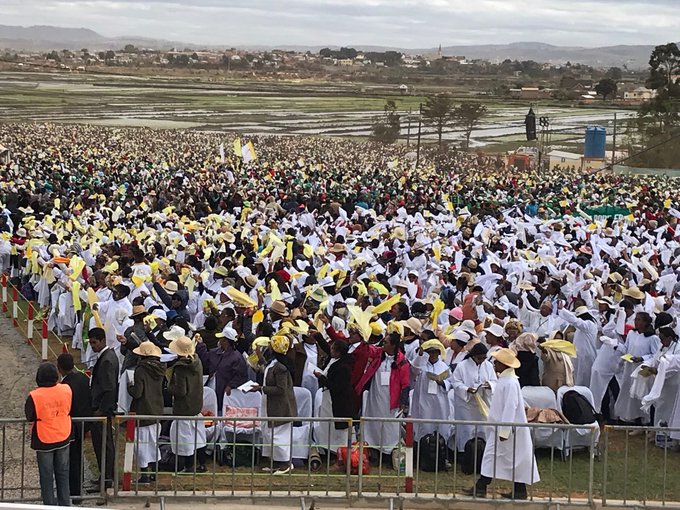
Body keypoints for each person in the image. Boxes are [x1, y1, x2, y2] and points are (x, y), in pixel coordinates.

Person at [467, 348, 540, 500]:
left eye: (497, 362)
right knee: (509, 457)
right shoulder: (506, 381)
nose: (494, 364)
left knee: (498, 456)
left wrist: (504, 430)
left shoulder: (510, 382)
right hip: (503, 428)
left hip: (507, 429)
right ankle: (516, 489)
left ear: (504, 365)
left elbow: (510, 406)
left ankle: (482, 485)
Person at [25, 363, 73, 507]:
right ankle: (65, 505)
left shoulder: (35, 395)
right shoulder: (66, 389)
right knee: (63, 474)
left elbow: (29, 415)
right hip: (63, 434)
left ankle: (49, 506)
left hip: (44, 438)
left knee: (46, 477)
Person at [359, 332, 411, 455]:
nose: (383, 344)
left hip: (390, 400)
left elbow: (405, 384)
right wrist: (364, 341)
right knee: (373, 422)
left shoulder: (402, 362)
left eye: (386, 342)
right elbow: (369, 349)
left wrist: (403, 402)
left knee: (389, 425)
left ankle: (389, 450)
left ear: (393, 346)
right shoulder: (378, 355)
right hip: (375, 397)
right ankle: (373, 447)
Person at [253, 335, 297, 475]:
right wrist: (259, 356)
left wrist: (261, 388)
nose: (269, 347)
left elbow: (281, 389)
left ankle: (285, 463)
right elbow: (266, 369)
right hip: (269, 404)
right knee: (268, 433)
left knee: (278, 436)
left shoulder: (281, 368)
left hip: (280, 407)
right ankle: (277, 462)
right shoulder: (274, 363)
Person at [127, 341, 165, 483]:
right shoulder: (160, 369)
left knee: (141, 445)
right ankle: (154, 473)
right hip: (156, 410)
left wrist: (129, 387)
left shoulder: (140, 370)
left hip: (143, 410)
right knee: (153, 443)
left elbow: (137, 393)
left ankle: (144, 474)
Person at [167, 335, 207, 472]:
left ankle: (188, 466)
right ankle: (202, 464)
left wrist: (169, 387)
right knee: (199, 437)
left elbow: (180, 391)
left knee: (185, 439)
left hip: (184, 408)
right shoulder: (197, 362)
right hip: (196, 405)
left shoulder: (180, 368)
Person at [87, 327, 118, 490]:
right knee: (101, 445)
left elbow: (109, 388)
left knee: (103, 446)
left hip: (102, 410)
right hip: (101, 408)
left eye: (94, 342)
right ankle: (104, 476)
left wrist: (101, 410)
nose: (92, 346)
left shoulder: (106, 359)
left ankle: (106, 480)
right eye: (90, 343)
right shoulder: (107, 356)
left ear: (102, 341)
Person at [314, 339, 357, 456]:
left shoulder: (343, 367)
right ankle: (330, 449)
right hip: (329, 399)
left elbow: (337, 386)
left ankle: (342, 454)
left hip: (339, 402)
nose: (330, 351)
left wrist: (321, 378)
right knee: (329, 427)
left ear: (338, 352)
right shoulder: (333, 361)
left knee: (341, 430)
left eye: (333, 349)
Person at [451, 343, 497, 452]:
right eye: (479, 358)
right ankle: (465, 452)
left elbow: (494, 381)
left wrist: (488, 385)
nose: (482, 360)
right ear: (473, 356)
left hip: (482, 401)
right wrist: (466, 389)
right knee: (467, 429)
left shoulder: (488, 365)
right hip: (466, 404)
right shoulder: (462, 366)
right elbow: (455, 382)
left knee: (483, 428)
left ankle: (482, 451)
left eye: (484, 358)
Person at [57, 353, 91, 499]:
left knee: (71, 458)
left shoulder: (64, 386)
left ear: (59, 368)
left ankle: (74, 490)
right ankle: (78, 485)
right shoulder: (83, 378)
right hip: (84, 422)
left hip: (70, 425)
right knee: (78, 456)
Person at [196, 326, 248, 414]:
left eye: (221, 339)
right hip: (212, 386)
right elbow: (206, 358)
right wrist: (201, 345)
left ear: (226, 341)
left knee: (222, 410)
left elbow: (241, 376)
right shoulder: (216, 352)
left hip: (224, 390)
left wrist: (230, 385)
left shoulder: (237, 357)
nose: (219, 341)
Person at [410, 339, 452, 442]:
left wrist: (442, 383)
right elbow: (414, 369)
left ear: (438, 353)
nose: (432, 354)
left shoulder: (444, 367)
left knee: (440, 427)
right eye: (430, 352)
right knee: (424, 427)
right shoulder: (422, 365)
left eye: (435, 352)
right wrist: (420, 356)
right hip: (423, 400)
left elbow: (451, 383)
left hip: (439, 402)